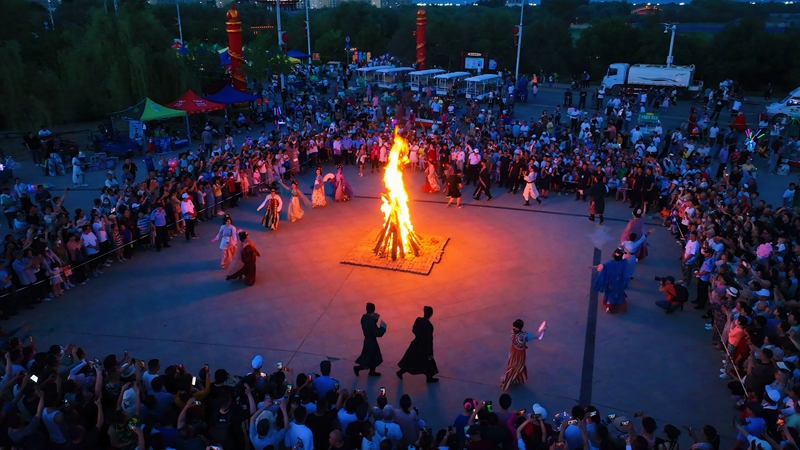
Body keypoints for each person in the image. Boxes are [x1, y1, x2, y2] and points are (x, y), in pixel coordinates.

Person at [396, 306, 439, 383]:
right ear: (431, 314)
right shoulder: (429, 326)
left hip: (416, 343)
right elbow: (429, 340)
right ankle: (429, 377)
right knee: (428, 362)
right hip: (424, 347)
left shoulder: (418, 320)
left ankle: (401, 372)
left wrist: (418, 336)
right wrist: (430, 353)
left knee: (410, 359)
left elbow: (414, 330)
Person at [500, 319, 546, 390]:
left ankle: (516, 379)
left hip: (513, 350)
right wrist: (543, 329)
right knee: (517, 366)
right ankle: (507, 378)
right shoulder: (524, 335)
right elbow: (537, 336)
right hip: (520, 353)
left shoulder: (512, 332)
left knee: (512, 363)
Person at [354, 302, 387, 377]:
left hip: (367, 340)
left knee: (372, 357)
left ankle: (372, 371)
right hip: (372, 342)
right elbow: (378, 333)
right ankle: (358, 368)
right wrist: (383, 328)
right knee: (370, 358)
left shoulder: (364, 317)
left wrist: (374, 319)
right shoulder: (371, 322)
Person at [593, 248, 630, 314]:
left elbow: (603, 268)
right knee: (617, 294)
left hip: (611, 283)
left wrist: (601, 266)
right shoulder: (624, 263)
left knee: (610, 295)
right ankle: (616, 304)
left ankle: (609, 307)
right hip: (620, 283)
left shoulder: (609, 264)